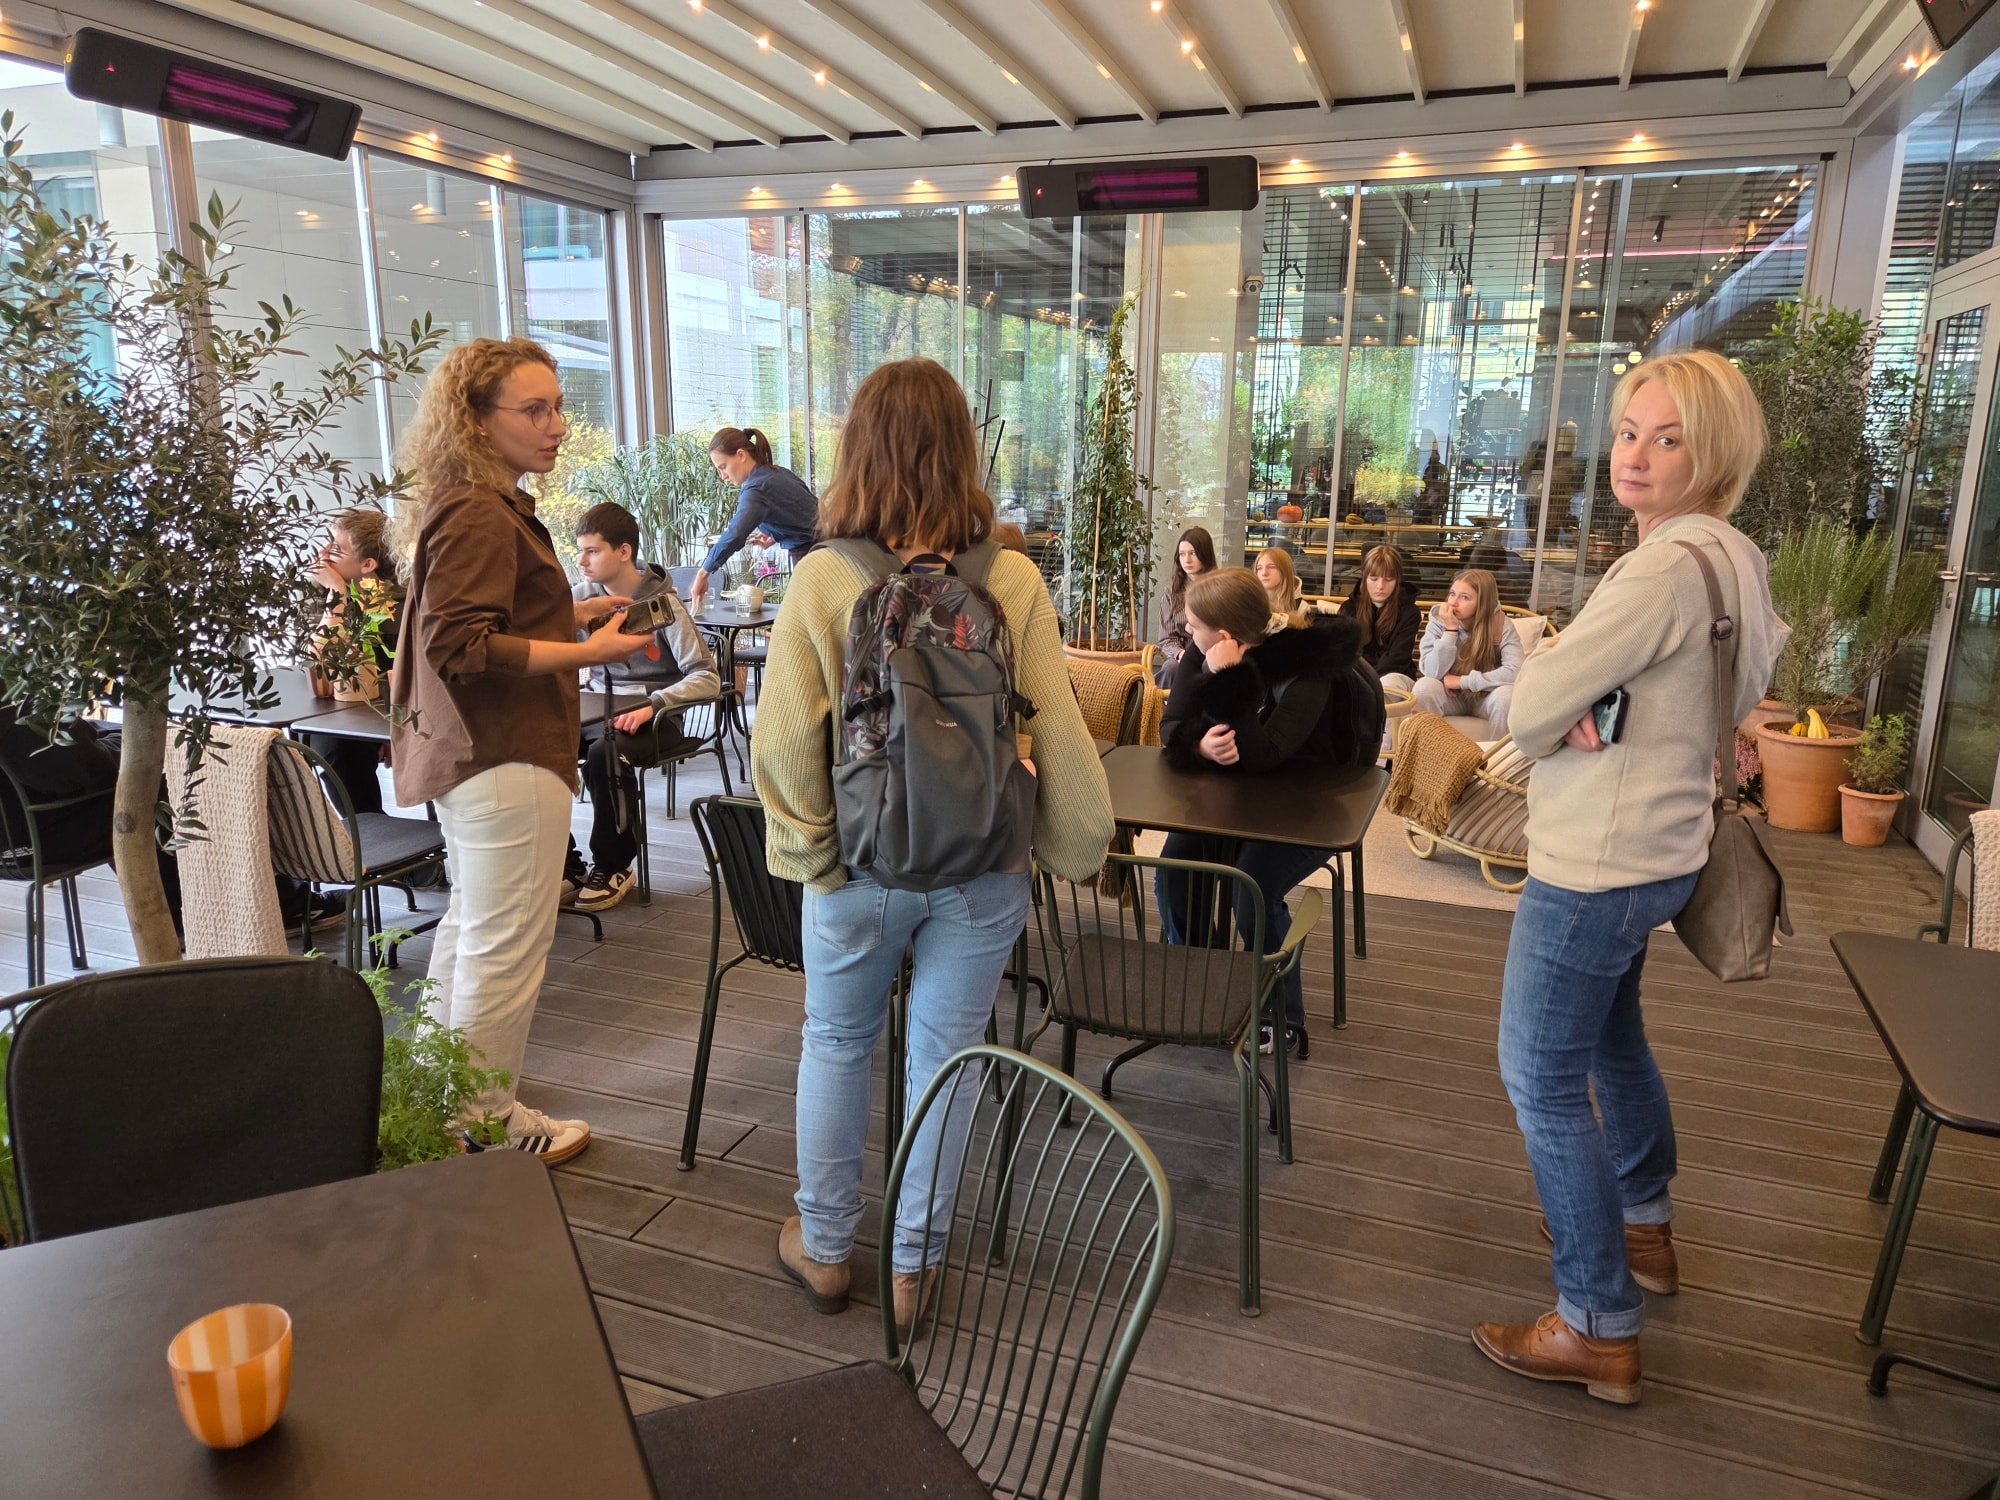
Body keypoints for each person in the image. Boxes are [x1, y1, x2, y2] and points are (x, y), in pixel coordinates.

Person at [752, 357, 1113, 1328]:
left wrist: (816, 857)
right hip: (982, 867)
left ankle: (827, 1250)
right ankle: (912, 1271)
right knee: (946, 1058)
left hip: (861, 863)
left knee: (836, 1043)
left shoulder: (824, 577)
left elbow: (782, 743)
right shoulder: (1012, 578)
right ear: (962, 452)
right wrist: (1079, 842)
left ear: (855, 451)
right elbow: (1058, 725)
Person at [1472, 350, 1787, 1405]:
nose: (1636, 456)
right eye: (1627, 433)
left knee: (1540, 1078)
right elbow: (1716, 693)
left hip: (1595, 864)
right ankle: (1641, 1223)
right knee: (1611, 1039)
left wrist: (1566, 701)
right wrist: (1593, 703)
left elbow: (1525, 710)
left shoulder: (1656, 571)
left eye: (1668, 439)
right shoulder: (1732, 556)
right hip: (1665, 847)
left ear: (1714, 454)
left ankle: (1595, 1321)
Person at [389, 336, 651, 1165]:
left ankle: (441, 1109)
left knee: (473, 932)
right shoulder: (478, 509)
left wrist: (569, 615)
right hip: (504, 753)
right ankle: (486, 1126)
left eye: (558, 407)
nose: (556, 425)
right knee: (503, 948)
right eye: (533, 410)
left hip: (479, 756)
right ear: (476, 420)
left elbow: (484, 623)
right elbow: (460, 644)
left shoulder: (473, 500)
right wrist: (587, 650)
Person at [1157, 568, 1384, 1058]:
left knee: (1252, 889)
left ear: (1225, 634)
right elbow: (1170, 725)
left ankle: (1281, 1016)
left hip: (1307, 804)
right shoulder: (1201, 648)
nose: (1187, 632)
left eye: (1195, 625)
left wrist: (1231, 680)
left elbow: (1266, 755)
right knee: (1175, 870)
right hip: (1236, 798)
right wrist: (1198, 745)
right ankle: (1209, 982)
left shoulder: (1307, 666)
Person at [563, 501, 722, 913]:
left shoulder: (664, 604)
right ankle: (566, 866)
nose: (581, 561)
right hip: (595, 710)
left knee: (605, 754)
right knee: (533, 746)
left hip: (658, 718)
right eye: (580, 551)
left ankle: (614, 866)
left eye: (592, 551)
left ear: (624, 551)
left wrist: (654, 704)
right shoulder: (579, 601)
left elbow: (707, 676)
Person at [303, 507, 401, 816]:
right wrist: (336, 594)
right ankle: (366, 830)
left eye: (336, 549)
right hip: (348, 712)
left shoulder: (396, 604)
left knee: (338, 746)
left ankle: (371, 831)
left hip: (393, 711)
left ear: (368, 564)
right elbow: (318, 665)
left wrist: (392, 729)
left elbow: (400, 671)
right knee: (328, 742)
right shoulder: (333, 594)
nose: (323, 555)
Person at [689, 427, 819, 610]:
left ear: (741, 455)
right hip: (828, 549)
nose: (723, 476)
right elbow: (807, 511)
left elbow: (735, 534)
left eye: (723, 467)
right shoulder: (777, 473)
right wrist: (775, 534)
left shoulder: (757, 488)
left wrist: (703, 573)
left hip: (812, 556)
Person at [1411, 568, 1522, 738]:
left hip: (1485, 697)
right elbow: (1431, 672)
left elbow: (1516, 671)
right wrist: (1450, 631)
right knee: (1425, 687)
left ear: (1482, 602)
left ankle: (1498, 755)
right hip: (1451, 698)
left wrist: (1463, 682)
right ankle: (1430, 752)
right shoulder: (1439, 622)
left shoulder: (1501, 625)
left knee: (1506, 696)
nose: (1453, 603)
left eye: (1464, 597)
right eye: (1452, 594)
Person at [1339, 544, 1422, 683]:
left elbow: (1397, 658)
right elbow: (1345, 653)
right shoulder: (1349, 608)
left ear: (1397, 581)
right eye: (1374, 578)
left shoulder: (1409, 613)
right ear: (1365, 579)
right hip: (1357, 678)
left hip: (1395, 676)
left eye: (1388, 579)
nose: (1380, 586)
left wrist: (1370, 682)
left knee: (1389, 681)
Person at [1155, 527, 1217, 688]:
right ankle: (1158, 704)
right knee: (1171, 669)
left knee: (1210, 668)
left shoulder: (1220, 589)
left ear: (1205, 553)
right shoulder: (1171, 593)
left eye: (1193, 553)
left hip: (1212, 651)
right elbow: (1167, 638)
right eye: (1182, 554)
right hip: (1182, 653)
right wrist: (1180, 654)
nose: (1187, 560)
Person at [1254, 546, 1306, 621]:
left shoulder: (1302, 608)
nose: (1264, 573)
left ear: (1285, 571)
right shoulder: (1249, 603)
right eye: (1259, 568)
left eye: (1271, 567)